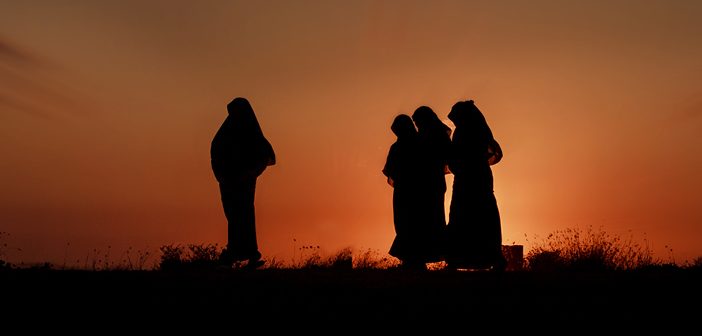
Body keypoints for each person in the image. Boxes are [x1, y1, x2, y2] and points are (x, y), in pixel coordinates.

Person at [211, 97, 276, 269]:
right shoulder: (225, 134)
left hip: (245, 184)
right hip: (229, 182)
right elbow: (216, 152)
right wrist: (224, 175)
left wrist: (250, 173)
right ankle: (236, 252)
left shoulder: (252, 136)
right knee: (234, 216)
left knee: (244, 216)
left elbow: (264, 157)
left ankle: (246, 253)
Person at [445, 100, 506, 271]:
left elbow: (457, 156)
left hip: (469, 179)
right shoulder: (480, 131)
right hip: (477, 177)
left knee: (465, 215)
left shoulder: (464, 132)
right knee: (482, 217)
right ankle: (490, 258)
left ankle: (458, 259)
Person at [382, 114, 429, 270]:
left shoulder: (397, 147)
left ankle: (412, 260)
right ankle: (414, 260)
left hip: (405, 191)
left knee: (407, 223)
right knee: (414, 223)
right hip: (417, 191)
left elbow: (390, 170)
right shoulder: (421, 144)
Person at [409, 106, 452, 266]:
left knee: (433, 221)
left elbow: (445, 155)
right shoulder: (425, 134)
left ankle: (442, 256)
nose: (417, 125)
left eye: (418, 121)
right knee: (422, 222)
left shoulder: (436, 135)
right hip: (423, 184)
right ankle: (419, 258)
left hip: (432, 183)